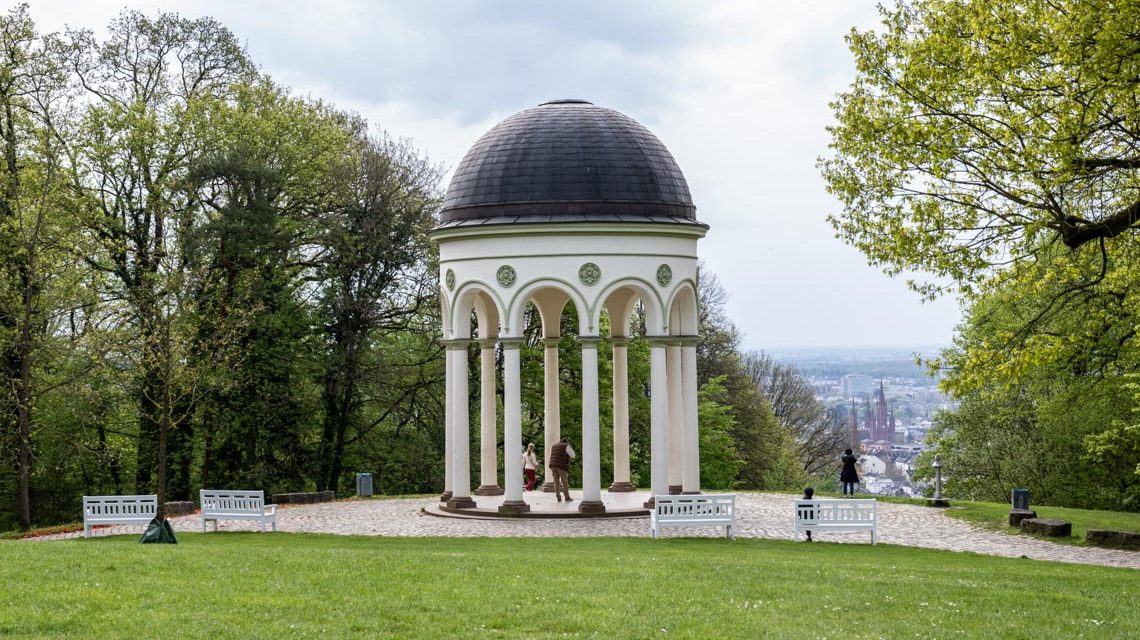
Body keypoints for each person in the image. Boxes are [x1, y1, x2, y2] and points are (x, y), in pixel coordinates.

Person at [548, 437, 576, 502]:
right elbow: (573, 455)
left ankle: (558, 497)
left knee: (556, 482)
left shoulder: (554, 446)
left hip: (553, 465)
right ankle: (567, 497)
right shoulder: (566, 446)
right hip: (561, 465)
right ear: (566, 442)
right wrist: (570, 447)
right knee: (564, 482)